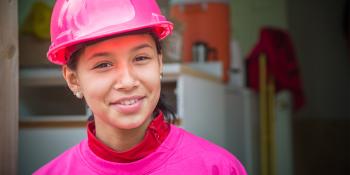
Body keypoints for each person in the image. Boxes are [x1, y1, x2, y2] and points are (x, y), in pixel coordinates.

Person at [34, 0, 247, 174]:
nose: (127, 82)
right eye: (103, 65)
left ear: (160, 63)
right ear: (73, 79)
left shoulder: (217, 169)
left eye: (141, 58)